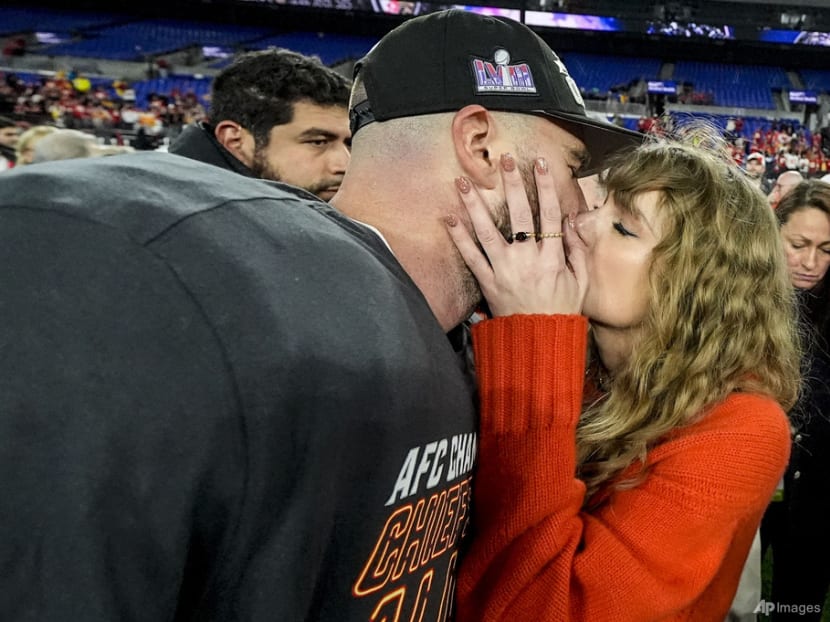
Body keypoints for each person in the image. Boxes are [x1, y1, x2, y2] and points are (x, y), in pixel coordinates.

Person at [0, 10, 640, 621]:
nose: (580, 206)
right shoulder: (190, 273)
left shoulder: (446, 326)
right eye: (573, 166)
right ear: (478, 144)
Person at [445, 132, 801, 621]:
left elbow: (541, 609)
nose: (581, 224)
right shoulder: (587, 369)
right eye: (599, 205)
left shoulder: (742, 429)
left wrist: (531, 340)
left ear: (693, 285)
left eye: (623, 228)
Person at [761, 179, 830, 621]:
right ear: (772, 232)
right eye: (799, 244)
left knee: (797, 604)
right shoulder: (735, 298)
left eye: (827, 249)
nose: (811, 262)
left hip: (815, 490)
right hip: (746, 474)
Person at [169, 48, 352, 201]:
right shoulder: (176, 225)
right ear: (235, 141)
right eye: (318, 142)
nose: (344, 165)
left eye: (349, 144)